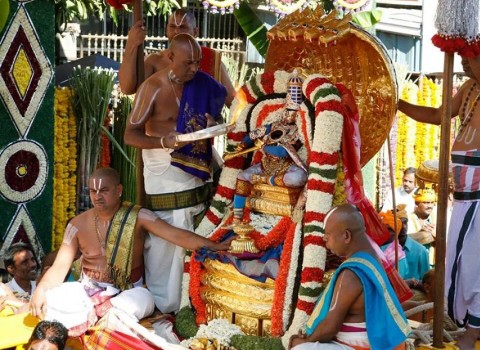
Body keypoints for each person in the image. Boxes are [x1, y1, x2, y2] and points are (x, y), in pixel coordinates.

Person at [398, 34, 480, 349]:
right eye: (462, 59)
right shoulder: (467, 89)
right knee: (459, 260)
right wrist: (397, 105)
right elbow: (438, 116)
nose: (464, 64)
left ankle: (471, 332)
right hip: (465, 194)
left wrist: (464, 38)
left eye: (468, 59)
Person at [28, 168, 230, 335]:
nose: (97, 196)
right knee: (49, 302)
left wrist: (213, 245)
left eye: (104, 190)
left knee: (133, 306)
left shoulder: (138, 216)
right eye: (92, 191)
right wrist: (41, 289)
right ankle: (95, 315)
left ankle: (96, 316)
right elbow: (59, 267)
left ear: (119, 190)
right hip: (87, 291)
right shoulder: (77, 224)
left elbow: (176, 235)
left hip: (129, 292)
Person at [124, 33, 228, 313]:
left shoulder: (201, 83)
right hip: (163, 165)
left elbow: (221, 112)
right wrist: (162, 142)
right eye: (188, 64)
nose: (194, 69)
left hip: (197, 164)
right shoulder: (153, 87)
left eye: (197, 63)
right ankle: (165, 303)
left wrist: (213, 121)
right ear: (169, 58)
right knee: (170, 230)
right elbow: (130, 135)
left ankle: (194, 300)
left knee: (197, 222)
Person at [288, 204, 410, 350]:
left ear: (346, 236)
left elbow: (329, 328)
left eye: (327, 237)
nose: (326, 244)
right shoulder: (371, 257)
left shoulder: (352, 273)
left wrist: (305, 341)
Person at [228, 70, 307, 226]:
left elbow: (283, 152)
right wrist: (243, 144)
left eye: (293, 113)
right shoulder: (274, 125)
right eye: (287, 112)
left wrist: (264, 146)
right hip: (265, 165)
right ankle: (237, 218)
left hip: (285, 168)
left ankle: (267, 181)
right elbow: (254, 134)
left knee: (298, 178)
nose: (289, 116)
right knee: (242, 176)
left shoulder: (297, 131)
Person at [119, 8, 235, 106]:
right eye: (172, 26)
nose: (176, 31)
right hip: (161, 133)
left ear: (195, 32)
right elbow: (126, 88)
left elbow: (233, 102)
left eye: (183, 27)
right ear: (166, 30)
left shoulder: (211, 60)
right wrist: (132, 44)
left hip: (200, 131)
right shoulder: (155, 61)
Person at [380, 206, 430, 282]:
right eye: (399, 223)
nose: (403, 227)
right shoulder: (382, 250)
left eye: (405, 222)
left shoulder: (420, 251)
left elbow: (426, 282)